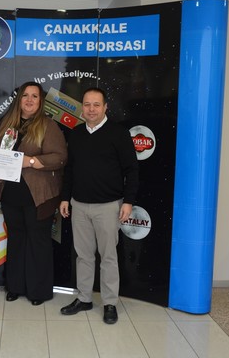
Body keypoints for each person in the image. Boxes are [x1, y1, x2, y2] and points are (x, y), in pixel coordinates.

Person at [59, 87, 139, 325]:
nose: (91, 109)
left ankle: (110, 303)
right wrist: (65, 198)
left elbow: (132, 170)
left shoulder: (118, 133)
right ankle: (84, 298)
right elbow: (70, 170)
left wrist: (128, 201)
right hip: (79, 206)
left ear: (105, 107)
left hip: (108, 207)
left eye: (96, 105)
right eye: (87, 104)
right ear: (82, 107)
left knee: (108, 257)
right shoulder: (76, 133)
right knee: (83, 256)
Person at [0, 81, 67, 306]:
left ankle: (38, 291)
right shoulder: (7, 123)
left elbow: (60, 158)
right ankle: (15, 287)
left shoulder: (48, 125)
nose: (29, 100)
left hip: (38, 196)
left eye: (34, 96)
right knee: (16, 239)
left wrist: (32, 161)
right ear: (19, 100)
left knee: (38, 241)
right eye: (25, 95)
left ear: (40, 101)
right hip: (11, 194)